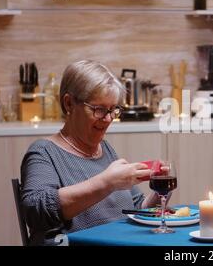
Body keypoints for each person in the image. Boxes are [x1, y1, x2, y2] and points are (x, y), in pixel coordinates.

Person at [21, 60, 161, 245]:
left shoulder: (106, 149)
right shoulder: (44, 152)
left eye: (113, 110)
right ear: (69, 103)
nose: (108, 118)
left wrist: (160, 193)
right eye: (99, 109)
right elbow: (35, 210)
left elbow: (135, 209)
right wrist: (107, 182)